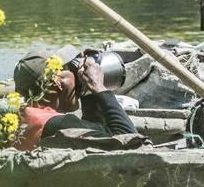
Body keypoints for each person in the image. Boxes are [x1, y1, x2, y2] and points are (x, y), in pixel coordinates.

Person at [10, 50, 138, 151]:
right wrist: (97, 86)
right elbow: (132, 142)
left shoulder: (22, 118)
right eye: (73, 72)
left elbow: (97, 133)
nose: (79, 79)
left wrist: (88, 94)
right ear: (58, 83)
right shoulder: (61, 125)